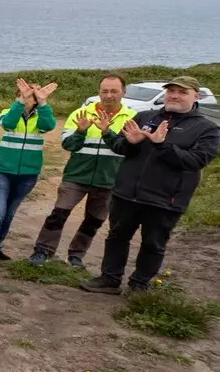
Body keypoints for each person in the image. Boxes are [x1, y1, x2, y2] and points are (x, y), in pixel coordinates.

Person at [81, 77, 220, 295]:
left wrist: (161, 145)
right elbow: (120, 147)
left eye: (182, 92)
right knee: (117, 236)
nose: (174, 95)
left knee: (153, 244)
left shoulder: (207, 129)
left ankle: (139, 285)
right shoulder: (145, 116)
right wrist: (131, 142)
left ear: (197, 96)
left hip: (166, 198)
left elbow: (195, 161)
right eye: (171, 91)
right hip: (127, 193)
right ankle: (109, 279)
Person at [30, 75, 136, 267]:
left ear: (124, 92)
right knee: (59, 214)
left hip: (109, 179)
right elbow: (67, 145)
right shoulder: (81, 113)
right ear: (99, 92)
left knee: (94, 221)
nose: (109, 95)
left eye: (114, 91)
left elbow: (129, 150)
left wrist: (107, 132)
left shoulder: (132, 118)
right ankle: (43, 251)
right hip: (76, 176)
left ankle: (76, 255)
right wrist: (80, 132)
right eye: (104, 91)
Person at [0, 79, 57, 270]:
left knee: (9, 214)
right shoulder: (8, 112)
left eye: (32, 96)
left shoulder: (41, 116)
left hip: (28, 173)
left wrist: (44, 102)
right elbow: (8, 123)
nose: (29, 98)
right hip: (2, 171)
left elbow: (50, 125)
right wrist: (21, 101)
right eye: (24, 95)